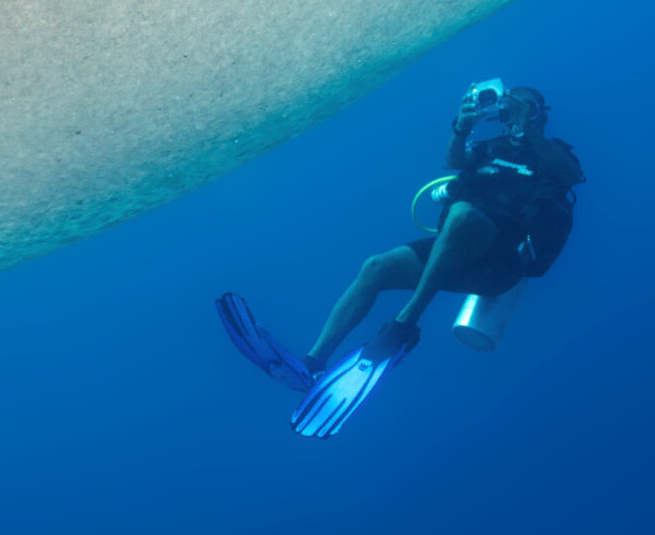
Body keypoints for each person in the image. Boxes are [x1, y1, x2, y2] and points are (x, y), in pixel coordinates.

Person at [217, 81, 586, 436]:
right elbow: (453, 160)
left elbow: (571, 174)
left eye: (523, 108)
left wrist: (531, 133)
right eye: (508, 109)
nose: (512, 116)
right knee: (376, 268)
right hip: (454, 250)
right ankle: (313, 364)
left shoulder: (554, 156)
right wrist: (461, 126)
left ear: (540, 116)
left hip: (498, 266)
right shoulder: (492, 149)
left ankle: (402, 327)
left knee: (462, 216)